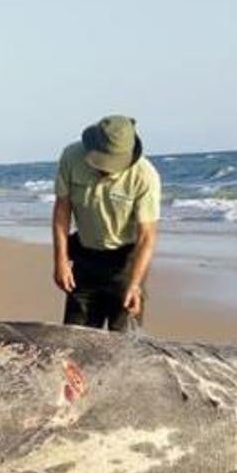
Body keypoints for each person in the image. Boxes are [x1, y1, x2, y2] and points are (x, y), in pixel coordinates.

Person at [52, 115, 160, 332]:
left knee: (123, 340)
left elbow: (147, 236)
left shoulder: (145, 176)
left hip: (126, 259)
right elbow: (62, 209)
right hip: (85, 254)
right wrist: (61, 260)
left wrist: (135, 284)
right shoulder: (71, 156)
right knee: (74, 336)